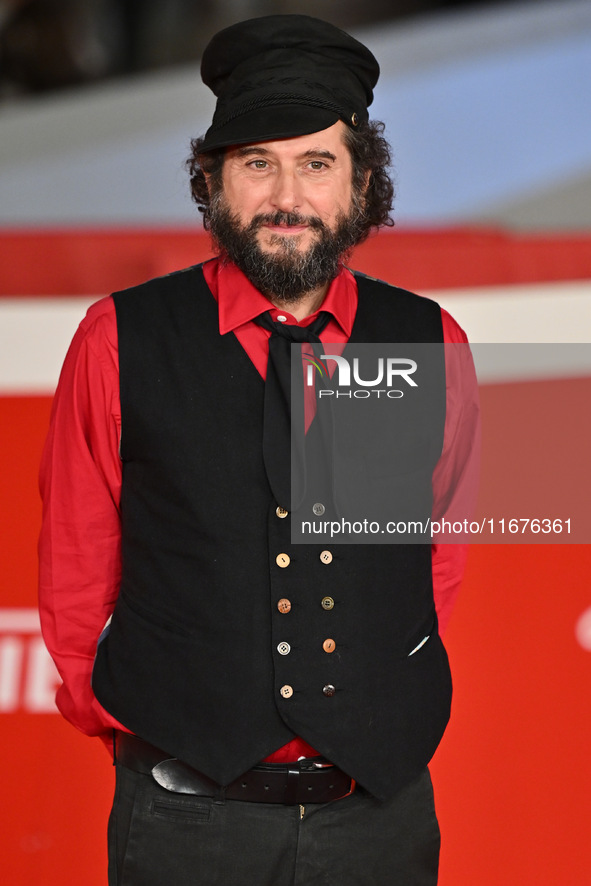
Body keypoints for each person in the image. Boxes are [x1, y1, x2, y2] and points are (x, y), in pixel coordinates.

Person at [38, 14, 480, 886]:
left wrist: (378, 697)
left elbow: (436, 558)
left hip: (376, 820)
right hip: (185, 820)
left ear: (361, 183)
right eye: (256, 164)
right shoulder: (119, 337)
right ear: (212, 182)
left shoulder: (426, 341)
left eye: (316, 162)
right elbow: (78, 563)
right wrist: (145, 725)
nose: (287, 195)